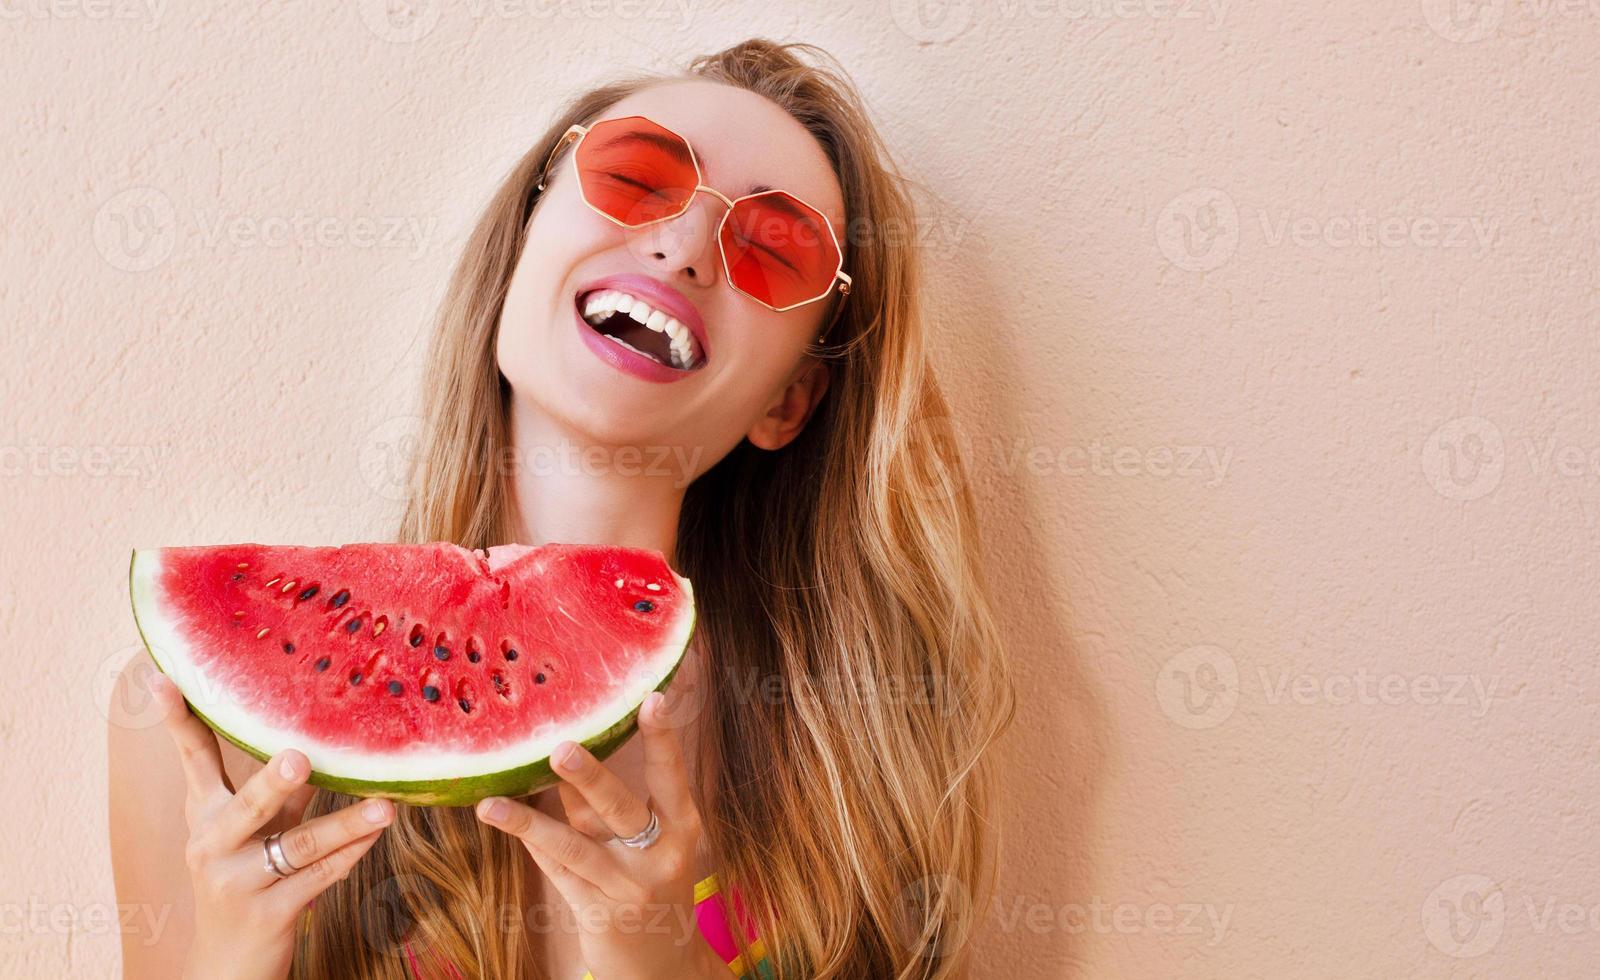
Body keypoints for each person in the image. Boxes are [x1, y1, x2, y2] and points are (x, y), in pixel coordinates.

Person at [110, 37, 1016, 979]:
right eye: (635, 176)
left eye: (773, 249)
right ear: (522, 243)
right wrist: (225, 956)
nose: (681, 247)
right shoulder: (186, 720)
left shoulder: (854, 747)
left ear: (788, 402)